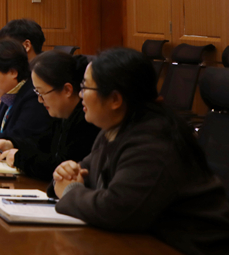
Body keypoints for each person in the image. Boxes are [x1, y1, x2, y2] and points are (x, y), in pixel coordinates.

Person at [52, 48, 229, 255]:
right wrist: (63, 174)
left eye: (85, 87)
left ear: (115, 99)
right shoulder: (114, 130)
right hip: (146, 241)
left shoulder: (154, 142)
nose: (80, 95)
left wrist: (70, 191)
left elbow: (114, 210)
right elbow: (82, 175)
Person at [0, 50, 99, 180]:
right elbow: (41, 144)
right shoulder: (60, 116)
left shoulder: (87, 121)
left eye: (42, 93)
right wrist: (12, 144)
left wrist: (19, 158)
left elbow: (59, 167)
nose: (39, 100)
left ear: (67, 90)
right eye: (37, 93)